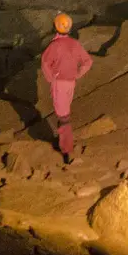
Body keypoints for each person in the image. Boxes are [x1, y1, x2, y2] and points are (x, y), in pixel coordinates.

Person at [39, 12, 93, 163]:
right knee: (64, 112)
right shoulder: (74, 44)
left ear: (55, 27)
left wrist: (51, 78)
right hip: (70, 83)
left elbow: (44, 62)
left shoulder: (55, 45)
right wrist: (77, 74)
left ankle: (66, 150)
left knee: (63, 117)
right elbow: (87, 61)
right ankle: (64, 142)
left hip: (60, 83)